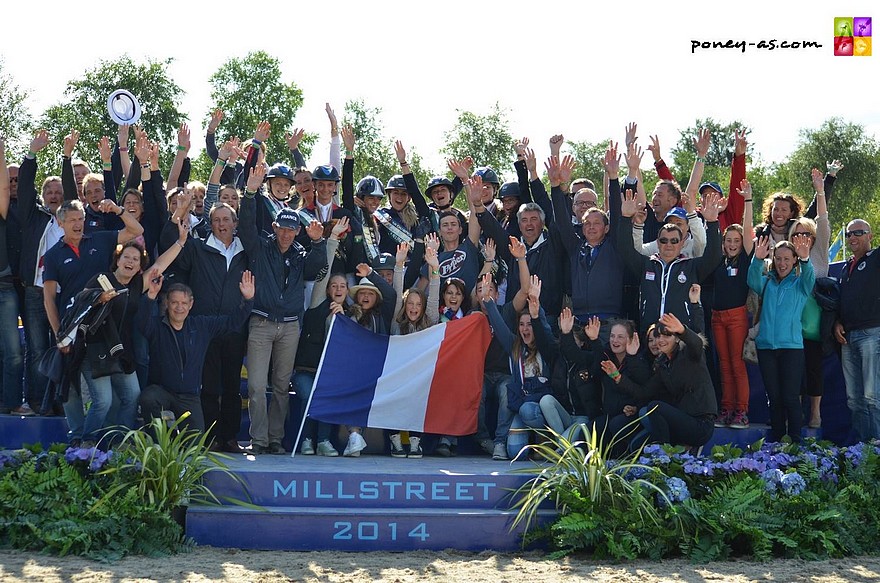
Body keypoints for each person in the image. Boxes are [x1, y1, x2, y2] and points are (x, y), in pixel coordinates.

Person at [240, 164, 329, 455]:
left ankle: (275, 439)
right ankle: (259, 439)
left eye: (293, 229)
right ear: (275, 227)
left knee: (280, 387)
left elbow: (317, 270)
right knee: (255, 386)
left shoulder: (302, 254)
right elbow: (246, 225)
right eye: (283, 228)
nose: (287, 234)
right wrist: (251, 193)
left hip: (290, 326)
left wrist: (318, 242)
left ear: (297, 230)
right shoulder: (259, 247)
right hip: (262, 323)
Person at [76, 220, 188, 444]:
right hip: (94, 352)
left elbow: (161, 264)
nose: (130, 261)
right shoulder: (101, 280)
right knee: (104, 402)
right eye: (126, 257)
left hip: (120, 353)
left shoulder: (137, 285)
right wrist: (99, 298)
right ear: (117, 259)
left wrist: (181, 242)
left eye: (135, 260)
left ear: (139, 267)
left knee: (132, 396)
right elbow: (80, 306)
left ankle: (120, 444)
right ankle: (85, 443)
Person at [161, 189, 250, 453]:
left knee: (232, 386)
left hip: (235, 327)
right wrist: (182, 211)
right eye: (217, 220)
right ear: (210, 224)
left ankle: (230, 437)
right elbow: (171, 245)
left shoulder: (245, 250)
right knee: (209, 386)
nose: (221, 225)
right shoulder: (198, 248)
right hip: (204, 328)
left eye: (226, 220)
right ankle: (210, 437)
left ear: (235, 224)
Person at [138, 271, 255, 434]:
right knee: (148, 398)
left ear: (191, 304)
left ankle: (174, 440)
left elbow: (231, 322)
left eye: (184, 303)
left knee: (194, 444)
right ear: (167, 303)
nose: (179, 308)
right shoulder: (156, 326)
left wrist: (247, 300)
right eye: (174, 303)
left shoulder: (201, 326)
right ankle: (158, 443)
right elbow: (141, 323)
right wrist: (150, 295)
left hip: (189, 397)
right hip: (162, 391)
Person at [618, 188, 723, 334]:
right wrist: (625, 217)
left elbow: (714, 256)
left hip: (680, 338)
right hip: (651, 337)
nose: (669, 244)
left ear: (681, 244)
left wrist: (712, 223)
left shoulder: (691, 267)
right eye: (664, 240)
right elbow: (625, 250)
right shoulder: (647, 265)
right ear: (658, 243)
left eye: (674, 241)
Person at [481, 277, 558, 460]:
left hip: (540, 407)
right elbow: (499, 326)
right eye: (521, 325)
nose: (525, 329)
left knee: (528, 410)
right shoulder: (515, 346)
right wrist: (488, 302)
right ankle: (532, 441)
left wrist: (536, 312)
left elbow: (544, 331)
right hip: (522, 407)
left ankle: (545, 437)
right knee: (515, 451)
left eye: (529, 324)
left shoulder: (546, 347)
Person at [748, 235, 815, 442]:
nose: (782, 263)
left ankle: (795, 442)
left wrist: (805, 260)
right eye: (778, 258)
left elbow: (809, 278)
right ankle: (777, 442)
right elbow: (751, 280)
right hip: (766, 348)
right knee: (774, 398)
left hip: (791, 349)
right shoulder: (767, 284)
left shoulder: (800, 285)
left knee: (790, 397)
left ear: (794, 259)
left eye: (787, 259)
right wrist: (757, 259)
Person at [293, 220, 350, 457]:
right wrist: (333, 239)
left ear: (348, 290)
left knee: (326, 394)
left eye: (343, 286)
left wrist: (344, 321)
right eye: (334, 286)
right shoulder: (317, 302)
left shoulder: (351, 314)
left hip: (329, 373)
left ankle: (324, 441)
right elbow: (324, 272)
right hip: (305, 370)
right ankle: (307, 439)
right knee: (308, 396)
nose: (337, 289)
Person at [618, 313, 717, 448]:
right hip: (682, 421)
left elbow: (697, 343)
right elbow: (644, 392)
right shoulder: (663, 364)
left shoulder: (689, 355)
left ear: (677, 339)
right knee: (638, 445)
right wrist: (618, 377)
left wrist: (682, 330)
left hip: (701, 424)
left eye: (667, 335)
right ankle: (665, 454)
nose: (660, 340)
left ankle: (664, 455)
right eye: (658, 336)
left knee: (655, 407)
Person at [386, 243, 441, 458]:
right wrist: (399, 264)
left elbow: (435, 295)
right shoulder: (395, 322)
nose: (414, 308)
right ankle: (396, 441)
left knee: (419, 394)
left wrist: (434, 268)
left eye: (418, 304)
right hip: (397, 376)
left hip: (419, 378)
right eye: (410, 303)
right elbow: (397, 292)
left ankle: (416, 442)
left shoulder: (430, 321)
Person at [790, 169, 832, 429]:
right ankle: (793, 414)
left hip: (814, 321)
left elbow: (823, 219)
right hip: (791, 322)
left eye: (807, 234)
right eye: (797, 234)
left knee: (814, 367)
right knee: (793, 371)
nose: (802, 238)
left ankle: (815, 413)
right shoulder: (786, 256)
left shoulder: (818, 252)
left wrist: (820, 190)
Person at [711, 179, 755, 429]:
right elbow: (712, 230)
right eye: (729, 240)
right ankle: (727, 409)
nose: (732, 244)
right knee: (724, 364)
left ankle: (742, 411)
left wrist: (747, 200)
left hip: (737, 315)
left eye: (736, 240)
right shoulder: (719, 260)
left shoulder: (745, 259)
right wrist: (714, 214)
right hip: (717, 316)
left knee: (738, 365)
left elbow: (748, 228)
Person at [834, 219, 880, 442]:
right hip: (847, 338)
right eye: (849, 234)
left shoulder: (876, 259)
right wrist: (837, 322)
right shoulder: (845, 267)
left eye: (858, 233)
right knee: (854, 399)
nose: (852, 237)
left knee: (872, 397)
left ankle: (876, 451)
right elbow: (843, 301)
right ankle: (861, 453)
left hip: (872, 333)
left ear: (870, 236)